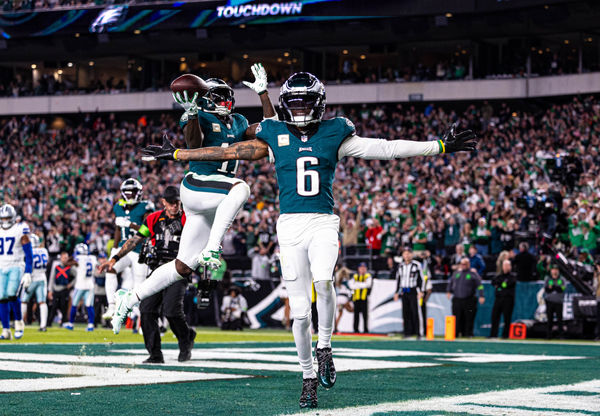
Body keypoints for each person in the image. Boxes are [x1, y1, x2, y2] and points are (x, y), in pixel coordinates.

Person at [141, 71, 477, 408]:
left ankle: (325, 347)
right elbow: (231, 150)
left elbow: (385, 149)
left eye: (305, 103)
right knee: (300, 314)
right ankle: (308, 376)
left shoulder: (335, 131)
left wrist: (440, 146)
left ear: (318, 104)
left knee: (325, 281)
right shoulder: (274, 131)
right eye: (295, 104)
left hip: (322, 222)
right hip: (289, 227)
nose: (300, 111)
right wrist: (179, 155)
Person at [111, 64, 276, 335]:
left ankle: (128, 299)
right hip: (197, 186)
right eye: (218, 95)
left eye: (227, 95)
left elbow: (273, 130)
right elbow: (194, 142)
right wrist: (191, 114)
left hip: (213, 199)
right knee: (241, 188)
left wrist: (263, 94)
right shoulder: (197, 115)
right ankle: (213, 247)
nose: (225, 100)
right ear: (206, 97)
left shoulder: (239, 122)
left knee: (181, 267)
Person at [99, 186, 196, 363]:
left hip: (177, 270)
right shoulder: (152, 219)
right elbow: (136, 239)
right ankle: (155, 354)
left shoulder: (187, 218)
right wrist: (114, 259)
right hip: (156, 270)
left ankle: (186, 339)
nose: (175, 206)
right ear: (164, 202)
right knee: (146, 309)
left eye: (178, 202)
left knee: (171, 311)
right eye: (172, 202)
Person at [103, 178, 153, 320]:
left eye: (132, 192)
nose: (130, 195)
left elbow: (148, 230)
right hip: (123, 249)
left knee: (140, 284)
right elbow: (118, 230)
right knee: (110, 269)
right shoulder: (118, 207)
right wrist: (114, 249)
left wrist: (129, 224)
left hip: (140, 250)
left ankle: (140, 316)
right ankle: (111, 306)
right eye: (127, 192)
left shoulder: (146, 206)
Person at [0, 204, 32, 340]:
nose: (5, 220)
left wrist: (28, 272)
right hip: (1, 266)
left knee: (11, 294)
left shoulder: (20, 229)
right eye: (3, 218)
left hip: (16, 265)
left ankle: (19, 323)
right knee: (1, 298)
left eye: (8, 218)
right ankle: (6, 330)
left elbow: (28, 253)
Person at [447, 257, 485, 337]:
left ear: (469, 264)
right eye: (462, 264)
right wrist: (448, 291)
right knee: (457, 317)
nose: (463, 265)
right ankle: (456, 333)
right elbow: (450, 282)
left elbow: (480, 285)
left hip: (469, 299)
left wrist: (481, 295)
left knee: (469, 318)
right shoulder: (456, 273)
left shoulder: (473, 273)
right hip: (457, 299)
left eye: (465, 264)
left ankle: (468, 333)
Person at [20, 234, 49, 332]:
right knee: (42, 302)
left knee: (24, 301)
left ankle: (19, 323)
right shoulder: (44, 251)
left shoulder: (29, 251)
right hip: (42, 278)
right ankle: (43, 325)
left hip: (32, 278)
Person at [64, 244, 97, 331]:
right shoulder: (93, 258)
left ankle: (71, 324)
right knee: (89, 305)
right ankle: (91, 325)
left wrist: (73, 256)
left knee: (74, 305)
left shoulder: (78, 259)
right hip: (90, 284)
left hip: (80, 285)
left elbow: (66, 263)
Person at [393, 249, 423, 338]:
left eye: (408, 254)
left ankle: (418, 333)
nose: (407, 256)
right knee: (405, 313)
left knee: (415, 312)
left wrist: (421, 291)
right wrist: (396, 292)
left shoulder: (416, 265)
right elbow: (398, 279)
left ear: (412, 255)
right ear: (403, 255)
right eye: (405, 254)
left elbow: (421, 278)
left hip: (413, 290)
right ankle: (407, 332)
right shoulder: (401, 266)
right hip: (404, 291)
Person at [47, 251, 77, 328]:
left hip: (64, 289)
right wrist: (50, 290)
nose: (65, 259)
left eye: (66, 258)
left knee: (64, 307)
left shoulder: (70, 267)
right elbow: (52, 278)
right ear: (61, 258)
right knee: (54, 307)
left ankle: (63, 322)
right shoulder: (57, 267)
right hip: (56, 289)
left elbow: (77, 276)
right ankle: (49, 323)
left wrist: (71, 284)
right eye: (63, 258)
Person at [489, 259, 516, 338]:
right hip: (498, 299)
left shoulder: (512, 276)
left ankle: (505, 335)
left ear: (510, 267)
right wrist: (501, 284)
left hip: (508, 300)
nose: (505, 267)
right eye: (504, 265)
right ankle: (493, 334)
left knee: (507, 318)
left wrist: (500, 285)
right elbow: (493, 282)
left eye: (507, 265)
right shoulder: (499, 276)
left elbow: (507, 284)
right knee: (495, 316)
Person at [349, 262, 372, 333]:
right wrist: (362, 284)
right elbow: (351, 285)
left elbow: (368, 285)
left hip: (364, 298)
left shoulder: (368, 276)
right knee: (356, 315)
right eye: (361, 268)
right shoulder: (355, 276)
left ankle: (365, 329)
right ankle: (355, 329)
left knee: (365, 315)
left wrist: (357, 284)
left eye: (364, 268)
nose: (362, 269)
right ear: (358, 269)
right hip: (356, 298)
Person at [544, 265, 566, 339]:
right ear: (551, 271)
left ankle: (561, 335)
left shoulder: (561, 279)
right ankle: (549, 335)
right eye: (553, 269)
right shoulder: (548, 279)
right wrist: (556, 287)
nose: (555, 271)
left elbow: (562, 289)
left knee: (560, 319)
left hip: (558, 301)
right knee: (549, 318)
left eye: (556, 269)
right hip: (549, 301)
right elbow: (547, 289)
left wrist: (553, 287)